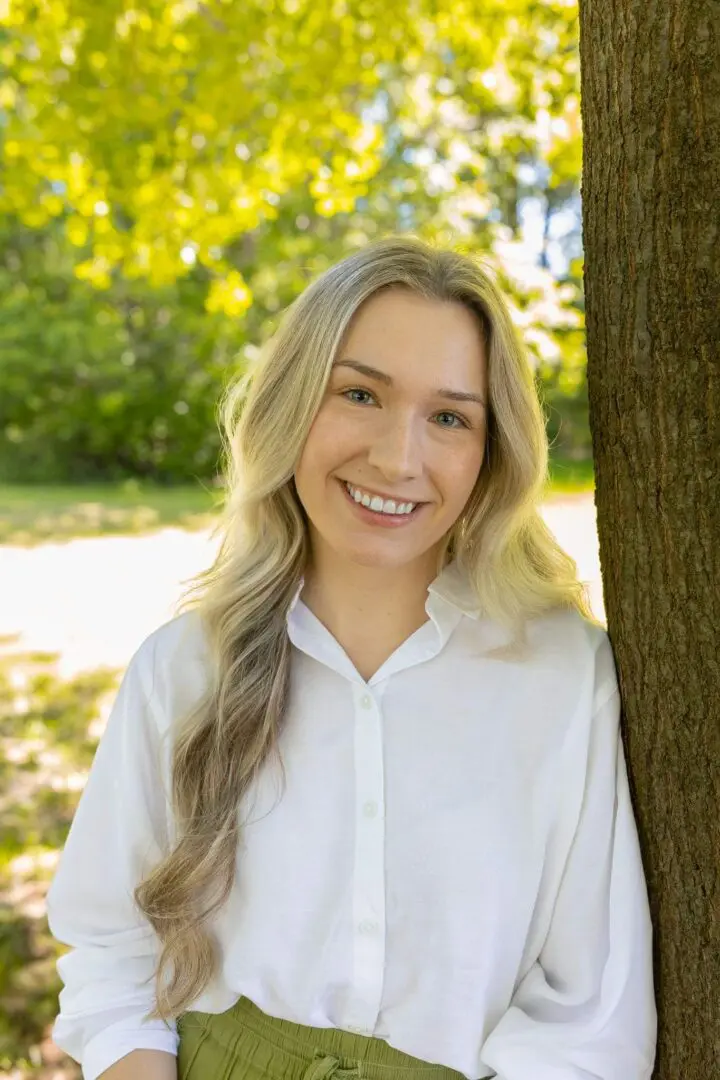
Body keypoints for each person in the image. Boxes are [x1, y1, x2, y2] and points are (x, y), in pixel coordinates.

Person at [45, 235, 657, 1080]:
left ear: (491, 450)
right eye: (360, 394)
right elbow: (113, 950)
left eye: (449, 416)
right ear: (292, 404)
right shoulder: (184, 667)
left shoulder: (562, 676)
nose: (397, 459)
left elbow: (588, 1019)